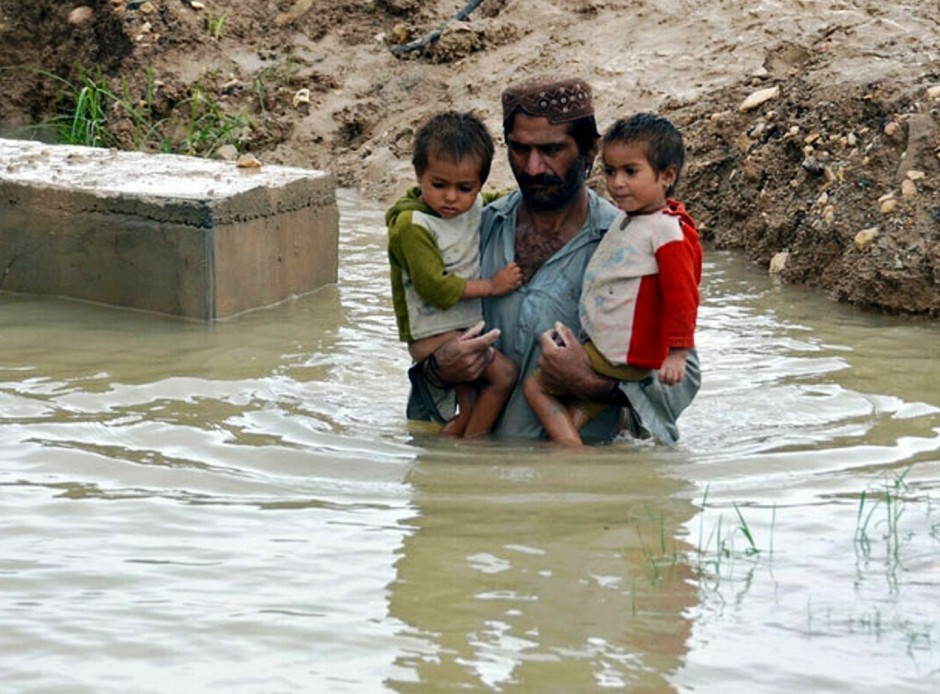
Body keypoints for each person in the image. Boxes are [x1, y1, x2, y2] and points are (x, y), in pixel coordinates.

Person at [407, 75, 701, 445]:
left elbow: (683, 379)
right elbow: (424, 337)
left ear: (590, 152)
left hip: (582, 485)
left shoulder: (634, 240)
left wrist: (591, 384)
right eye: (519, 150)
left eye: (551, 150)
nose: (532, 168)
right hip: (481, 481)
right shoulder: (472, 231)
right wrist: (439, 370)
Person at [523, 113, 702, 446]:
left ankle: (569, 455)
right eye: (610, 171)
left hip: (621, 353)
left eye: (630, 172)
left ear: (666, 176)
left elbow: (682, 294)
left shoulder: (665, 229)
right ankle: (570, 451)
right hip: (610, 348)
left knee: (534, 386)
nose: (617, 182)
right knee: (573, 421)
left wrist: (677, 353)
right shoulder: (634, 219)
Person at [387, 111, 524, 437]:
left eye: (465, 188)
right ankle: (471, 451)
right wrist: (492, 286)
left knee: (472, 406)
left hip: (459, 329)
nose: (451, 197)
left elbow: (501, 204)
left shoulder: (474, 206)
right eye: (439, 185)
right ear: (419, 174)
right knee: (504, 376)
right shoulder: (412, 225)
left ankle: (455, 445)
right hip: (434, 336)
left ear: (479, 184)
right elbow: (433, 286)